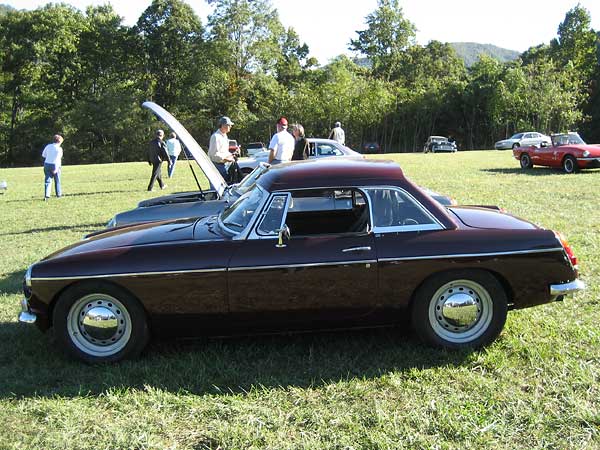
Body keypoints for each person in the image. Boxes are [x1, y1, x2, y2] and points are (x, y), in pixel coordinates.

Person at [208, 116, 236, 183]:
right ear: (223, 126)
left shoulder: (224, 136)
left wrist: (231, 155)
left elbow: (224, 151)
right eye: (229, 125)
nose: (230, 127)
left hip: (224, 165)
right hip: (217, 166)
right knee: (217, 188)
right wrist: (226, 159)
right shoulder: (215, 137)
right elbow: (213, 155)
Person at [42, 134, 64, 201]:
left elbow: (43, 155)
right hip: (55, 164)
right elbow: (58, 159)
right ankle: (58, 194)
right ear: (59, 141)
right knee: (57, 180)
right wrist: (56, 168)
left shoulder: (48, 146)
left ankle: (47, 195)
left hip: (47, 164)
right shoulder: (59, 149)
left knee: (47, 180)